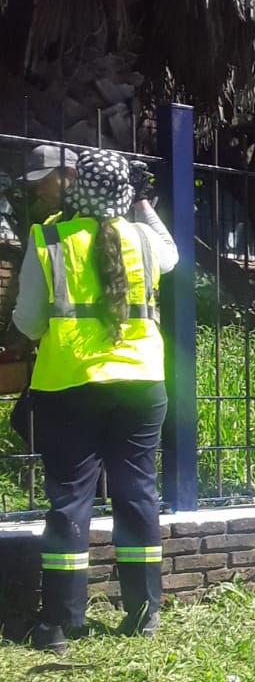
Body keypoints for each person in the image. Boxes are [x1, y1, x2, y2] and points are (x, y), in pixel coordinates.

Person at [12, 149, 178, 651]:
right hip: (142, 384)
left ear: (75, 188)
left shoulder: (50, 239)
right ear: (125, 193)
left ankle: (59, 624)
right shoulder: (147, 240)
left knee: (70, 500)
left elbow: (27, 322)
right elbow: (171, 253)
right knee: (137, 493)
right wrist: (144, 200)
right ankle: (145, 614)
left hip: (70, 386)